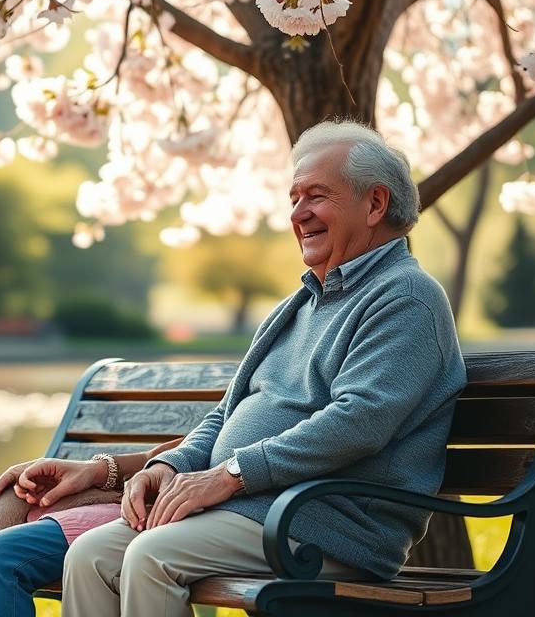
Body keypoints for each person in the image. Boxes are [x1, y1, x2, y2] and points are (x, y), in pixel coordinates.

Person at [61, 120, 468, 617]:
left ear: (375, 204)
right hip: (256, 509)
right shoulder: (299, 305)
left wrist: (232, 474)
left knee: (151, 557)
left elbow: (359, 421)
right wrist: (170, 466)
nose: (299, 215)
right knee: (89, 555)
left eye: (316, 196)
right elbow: (226, 415)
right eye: (294, 199)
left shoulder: (406, 298)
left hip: (327, 523)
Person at [0, 440, 180, 617]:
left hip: (146, 507)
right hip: (108, 488)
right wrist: (91, 469)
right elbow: (165, 452)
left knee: (4, 555)